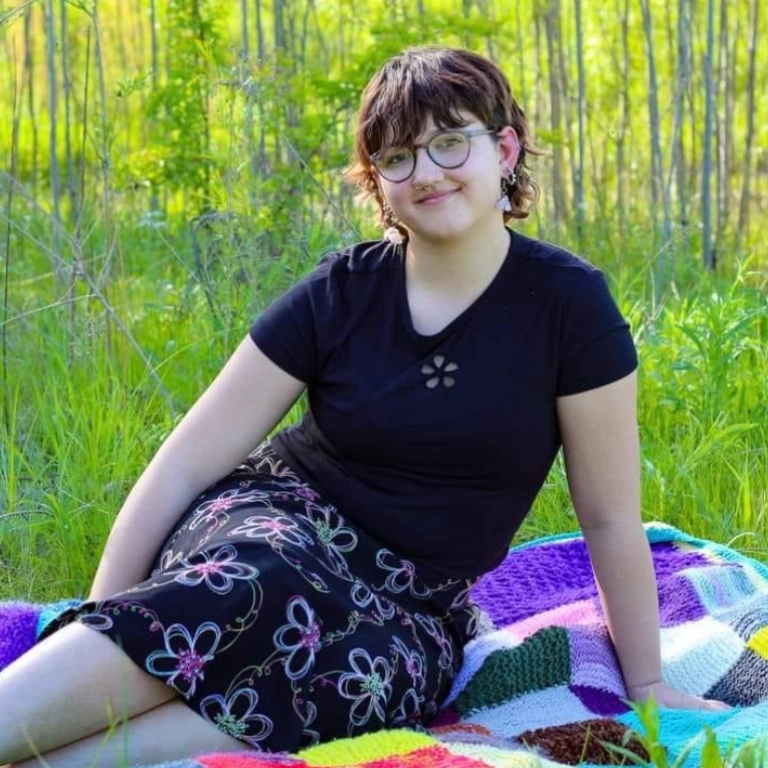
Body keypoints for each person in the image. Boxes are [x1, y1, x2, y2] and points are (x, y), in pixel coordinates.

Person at [0, 45, 728, 768]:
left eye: (450, 143)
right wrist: (102, 620)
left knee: (360, 684)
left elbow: (607, 516)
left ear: (504, 149)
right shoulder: (342, 292)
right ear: (378, 180)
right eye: (401, 156)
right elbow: (184, 465)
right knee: (264, 584)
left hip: (412, 606)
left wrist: (649, 682)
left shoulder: (570, 308)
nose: (428, 173)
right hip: (279, 525)